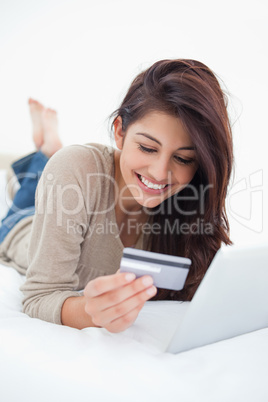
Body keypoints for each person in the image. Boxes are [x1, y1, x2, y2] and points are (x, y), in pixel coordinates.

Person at [0, 59, 233, 333]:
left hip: (76, 190)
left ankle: (49, 148)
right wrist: (89, 312)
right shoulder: (74, 169)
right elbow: (40, 296)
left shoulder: (190, 199)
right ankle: (48, 148)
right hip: (21, 226)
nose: (160, 173)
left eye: (182, 158)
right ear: (119, 131)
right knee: (33, 187)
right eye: (147, 148)